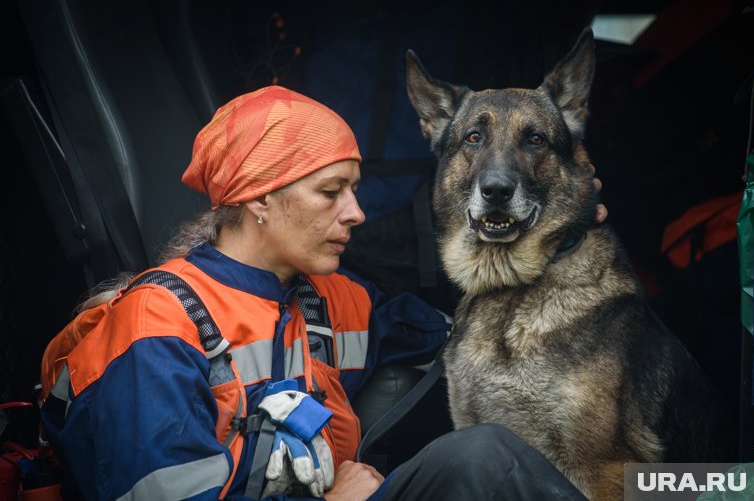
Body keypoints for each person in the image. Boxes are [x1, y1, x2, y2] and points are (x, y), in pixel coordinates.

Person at [40, 86, 598, 500]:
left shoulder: (334, 300)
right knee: (484, 457)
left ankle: (681, 488)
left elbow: (479, 340)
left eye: (354, 190)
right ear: (259, 199)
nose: (355, 213)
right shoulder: (155, 326)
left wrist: (558, 228)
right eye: (331, 192)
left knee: (481, 456)